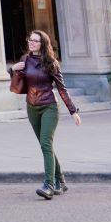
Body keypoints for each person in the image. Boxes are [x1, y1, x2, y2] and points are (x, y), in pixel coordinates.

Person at [9, 30, 81, 199]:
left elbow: (62, 89)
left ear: (43, 44)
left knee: (45, 144)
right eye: (30, 40)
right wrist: (12, 70)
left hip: (49, 107)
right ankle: (60, 181)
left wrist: (73, 111)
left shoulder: (51, 63)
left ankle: (49, 185)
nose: (31, 43)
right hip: (32, 107)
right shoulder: (25, 59)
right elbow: (18, 82)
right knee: (45, 145)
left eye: (35, 41)